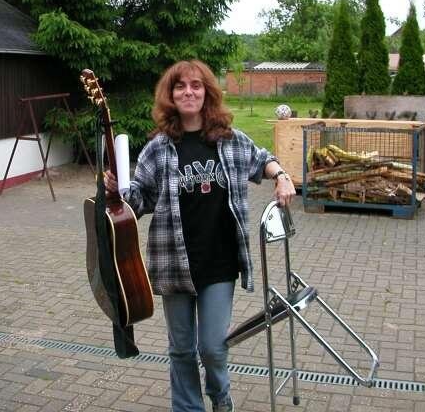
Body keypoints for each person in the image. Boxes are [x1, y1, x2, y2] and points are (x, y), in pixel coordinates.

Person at [104, 59, 295, 412]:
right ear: (171, 95)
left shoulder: (229, 140)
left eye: (196, 85)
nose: (188, 92)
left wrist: (282, 176)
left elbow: (262, 159)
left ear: (207, 93)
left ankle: (220, 396)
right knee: (181, 349)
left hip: (219, 263)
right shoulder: (158, 148)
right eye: (180, 86)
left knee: (212, 347)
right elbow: (139, 201)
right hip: (173, 262)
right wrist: (117, 190)